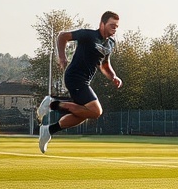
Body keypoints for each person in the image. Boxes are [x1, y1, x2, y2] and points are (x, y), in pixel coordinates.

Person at [36, 11, 122, 153]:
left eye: (117, 26)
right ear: (102, 24)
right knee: (96, 111)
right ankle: (52, 103)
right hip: (75, 77)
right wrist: (62, 57)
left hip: (84, 81)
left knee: (84, 114)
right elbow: (62, 36)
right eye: (112, 25)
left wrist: (114, 77)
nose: (115, 28)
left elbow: (105, 64)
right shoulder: (89, 35)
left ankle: (49, 130)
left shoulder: (110, 43)